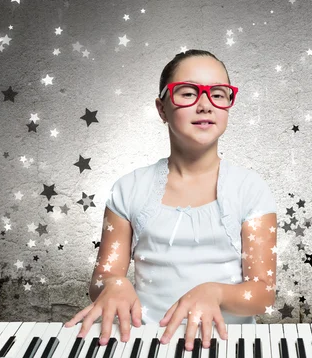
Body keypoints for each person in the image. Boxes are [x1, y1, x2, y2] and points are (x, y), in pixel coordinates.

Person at [64, 49, 278, 352]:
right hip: (145, 343)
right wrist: (114, 284)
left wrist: (214, 292)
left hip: (228, 345)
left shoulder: (251, 189)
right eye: (188, 93)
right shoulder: (128, 189)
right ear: (162, 108)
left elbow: (263, 292)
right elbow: (101, 280)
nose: (205, 105)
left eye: (218, 94)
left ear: (229, 105)